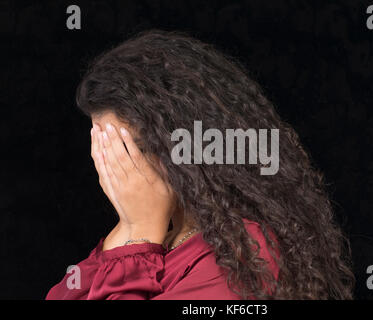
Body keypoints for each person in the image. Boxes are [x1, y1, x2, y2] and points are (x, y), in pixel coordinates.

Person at [46, 29, 354, 300]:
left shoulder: (245, 255)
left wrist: (138, 233)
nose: (112, 163)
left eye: (125, 147)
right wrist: (130, 232)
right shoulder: (153, 238)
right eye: (102, 147)